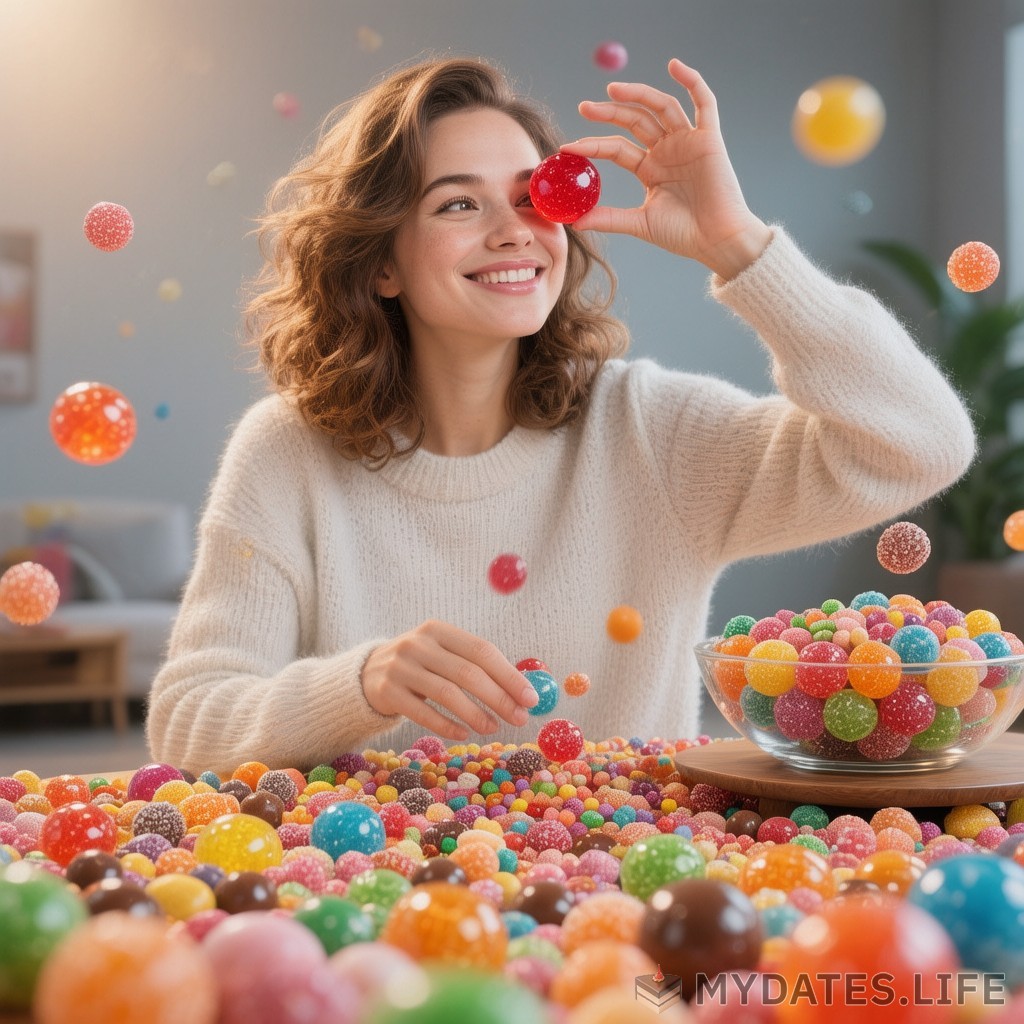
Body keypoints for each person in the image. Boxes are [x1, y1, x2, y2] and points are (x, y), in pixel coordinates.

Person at [147, 56, 975, 775]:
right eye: (458, 206)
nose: (515, 233)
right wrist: (360, 685)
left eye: (531, 195)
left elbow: (921, 446)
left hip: (626, 891)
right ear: (382, 263)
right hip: (383, 906)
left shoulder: (649, 430)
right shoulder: (290, 452)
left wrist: (738, 245)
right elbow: (186, 721)